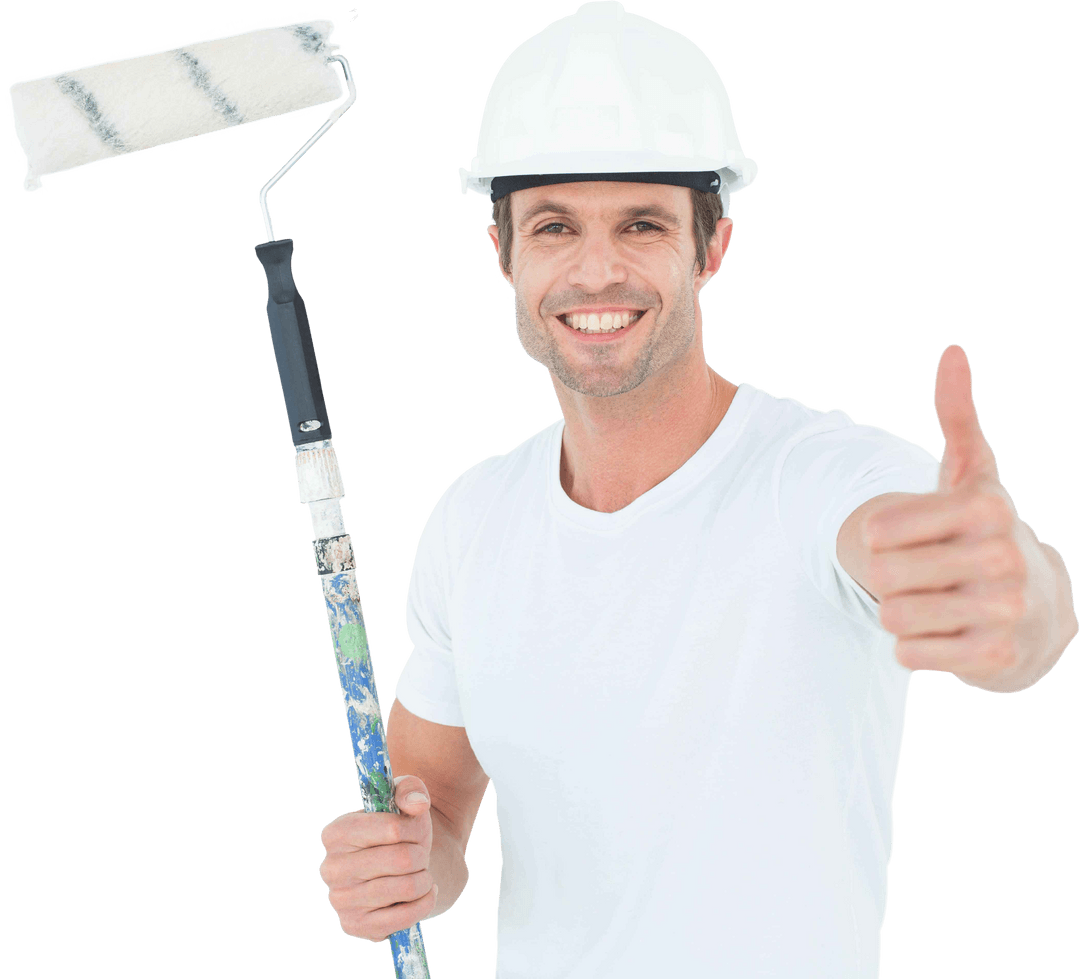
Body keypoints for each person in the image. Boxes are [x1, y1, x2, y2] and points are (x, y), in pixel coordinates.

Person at [317, 3, 1077, 975]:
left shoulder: (821, 477)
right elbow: (442, 808)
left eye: (642, 224)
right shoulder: (473, 518)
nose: (597, 269)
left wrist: (1020, 598)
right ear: (503, 252)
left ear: (710, 247)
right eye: (555, 226)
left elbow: (993, 587)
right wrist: (411, 865)